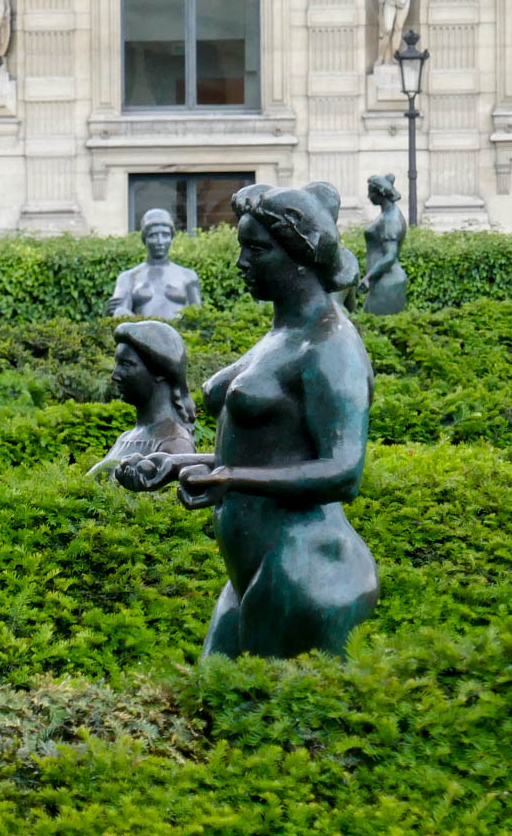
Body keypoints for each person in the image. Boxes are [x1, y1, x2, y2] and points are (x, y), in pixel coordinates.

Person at [117, 182, 378, 660]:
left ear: (300, 257)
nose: (241, 263)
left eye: (256, 250)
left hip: (307, 570)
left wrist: (230, 478)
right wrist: (178, 465)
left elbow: (344, 472)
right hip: (255, 569)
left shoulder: (330, 347)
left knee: (261, 703)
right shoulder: (282, 334)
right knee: (216, 695)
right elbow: (264, 453)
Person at [87, 320, 197, 478]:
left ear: (160, 371)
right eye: (117, 364)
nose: (115, 375)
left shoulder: (175, 444)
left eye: (126, 364)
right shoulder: (125, 438)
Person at [108, 208, 204, 319]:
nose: (160, 241)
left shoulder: (188, 276)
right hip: (140, 329)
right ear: (145, 239)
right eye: (153, 235)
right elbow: (119, 314)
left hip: (178, 330)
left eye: (165, 235)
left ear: (171, 238)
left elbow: (199, 318)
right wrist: (112, 311)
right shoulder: (128, 278)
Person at [357, 173, 408, 316]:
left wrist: (368, 278)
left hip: (388, 283)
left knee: (376, 325)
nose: (368, 196)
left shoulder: (391, 219)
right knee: (367, 324)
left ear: (380, 193)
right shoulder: (386, 215)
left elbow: (390, 256)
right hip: (380, 282)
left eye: (370, 193)